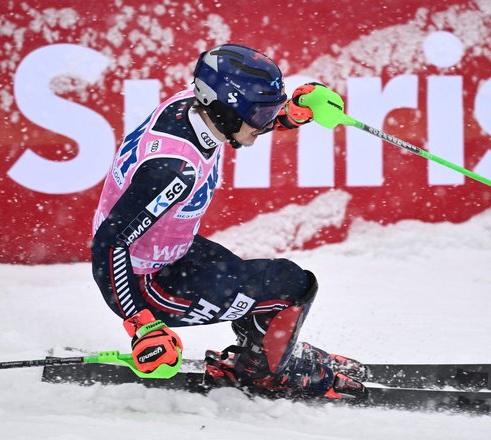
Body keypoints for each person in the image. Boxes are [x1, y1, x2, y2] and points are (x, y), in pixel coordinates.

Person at [91, 44, 364, 399]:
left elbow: (239, 114)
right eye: (263, 112)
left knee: (261, 286)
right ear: (225, 110)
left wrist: (290, 114)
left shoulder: (196, 105)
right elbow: (109, 245)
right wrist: (143, 325)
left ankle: (261, 354)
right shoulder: (174, 170)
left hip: (173, 253)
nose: (268, 119)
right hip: (148, 284)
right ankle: (265, 375)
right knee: (292, 286)